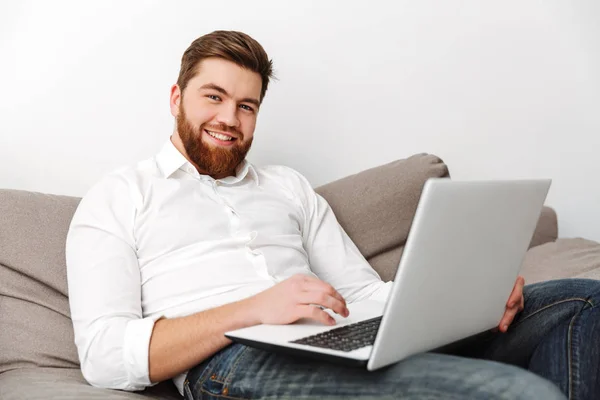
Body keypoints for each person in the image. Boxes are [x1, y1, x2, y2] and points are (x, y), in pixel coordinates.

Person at [66, 30, 599, 400]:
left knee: (583, 300)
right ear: (177, 97)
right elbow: (105, 355)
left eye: (247, 106)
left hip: (340, 337)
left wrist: (472, 295)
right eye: (214, 97)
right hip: (231, 365)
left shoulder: (287, 187)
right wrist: (252, 311)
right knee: (516, 392)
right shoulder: (119, 196)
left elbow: (362, 293)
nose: (230, 119)